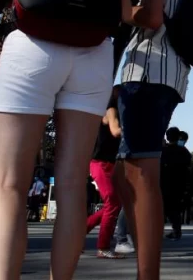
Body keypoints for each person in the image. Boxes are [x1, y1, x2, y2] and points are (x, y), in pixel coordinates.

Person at [0, 0, 132, 280]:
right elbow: (125, 10)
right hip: (94, 54)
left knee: (10, 186)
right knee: (74, 187)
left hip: (32, 48)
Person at [110, 0, 190, 280]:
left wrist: (116, 9)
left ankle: (148, 273)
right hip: (172, 72)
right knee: (125, 173)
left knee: (140, 175)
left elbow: (152, 16)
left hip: (146, 72)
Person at [85, 85, 124, 259]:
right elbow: (115, 132)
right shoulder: (110, 110)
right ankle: (103, 248)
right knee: (113, 203)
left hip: (110, 163)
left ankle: (80, 232)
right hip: (100, 164)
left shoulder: (119, 112)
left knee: (115, 204)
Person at [161, 127, 192, 240]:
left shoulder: (163, 151)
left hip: (164, 183)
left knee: (162, 209)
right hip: (179, 184)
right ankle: (176, 231)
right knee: (174, 210)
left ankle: (158, 230)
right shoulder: (184, 151)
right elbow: (189, 167)